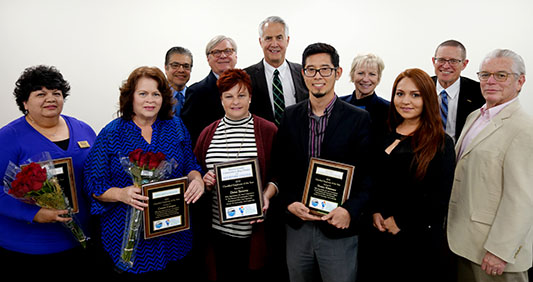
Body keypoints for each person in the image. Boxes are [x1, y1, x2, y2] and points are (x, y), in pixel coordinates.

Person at [83, 66, 204, 279]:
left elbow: (191, 165)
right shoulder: (111, 133)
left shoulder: (175, 126)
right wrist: (121, 194)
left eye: (156, 94)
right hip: (126, 238)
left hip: (173, 233)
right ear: (131, 97)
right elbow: (94, 184)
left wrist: (197, 179)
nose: (150, 100)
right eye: (143, 93)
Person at [272, 43, 371, 282]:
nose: (318, 77)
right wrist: (288, 204)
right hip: (298, 227)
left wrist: (349, 211)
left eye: (325, 69)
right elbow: (279, 168)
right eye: (311, 70)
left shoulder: (358, 118)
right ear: (302, 73)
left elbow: (369, 175)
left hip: (338, 228)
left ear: (337, 73)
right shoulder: (290, 115)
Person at [0, 65, 97, 279]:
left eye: (56, 93)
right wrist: (34, 214)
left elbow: (96, 175)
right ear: (24, 102)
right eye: (40, 94)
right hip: (28, 246)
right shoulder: (8, 137)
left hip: (81, 241)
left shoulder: (83, 129)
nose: (50, 98)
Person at [447, 49, 533, 282]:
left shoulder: (524, 129)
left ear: (520, 81)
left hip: (493, 255)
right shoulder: (475, 116)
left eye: (501, 75)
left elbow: (522, 199)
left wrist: (500, 250)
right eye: (484, 75)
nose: (490, 81)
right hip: (463, 242)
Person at [371, 68, 455, 282]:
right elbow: (375, 182)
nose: (405, 101)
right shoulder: (384, 134)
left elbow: (438, 199)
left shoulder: (441, 143)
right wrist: (375, 212)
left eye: (415, 95)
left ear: (427, 98)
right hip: (379, 236)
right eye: (400, 94)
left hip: (418, 242)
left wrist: (400, 222)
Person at [194, 68, 278, 282]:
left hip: (254, 233)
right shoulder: (207, 133)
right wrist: (205, 181)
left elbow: (280, 175)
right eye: (228, 96)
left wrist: (266, 195)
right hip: (217, 232)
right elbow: (195, 173)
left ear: (250, 97)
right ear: (221, 99)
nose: (235, 102)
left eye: (241, 95)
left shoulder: (268, 131)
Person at [339, 53, 389, 282]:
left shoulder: (389, 110)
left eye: (372, 74)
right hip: (342, 189)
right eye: (360, 73)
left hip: (373, 189)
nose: (365, 78)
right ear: (351, 75)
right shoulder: (338, 104)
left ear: (378, 78)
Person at [244, 16, 308, 125]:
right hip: (263, 140)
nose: (274, 44)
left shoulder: (304, 72)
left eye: (279, 38)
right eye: (268, 38)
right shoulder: (246, 76)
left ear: (287, 40)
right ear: (261, 42)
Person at [181, 35, 238, 145]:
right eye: (216, 52)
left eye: (228, 51)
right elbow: (190, 135)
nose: (222, 56)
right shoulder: (196, 92)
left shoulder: (250, 86)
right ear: (208, 58)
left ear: (236, 55)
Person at [432, 39, 484, 142]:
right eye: (441, 60)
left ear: (464, 64)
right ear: (434, 61)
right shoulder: (420, 87)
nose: (446, 66)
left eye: (453, 61)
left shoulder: (479, 92)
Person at [164, 46, 193, 117]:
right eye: (175, 65)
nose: (181, 70)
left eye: (186, 66)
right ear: (166, 68)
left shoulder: (195, 98)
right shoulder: (157, 97)